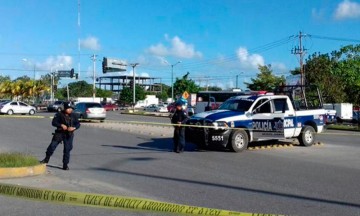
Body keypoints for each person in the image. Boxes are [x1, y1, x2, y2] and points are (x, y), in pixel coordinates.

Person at [40, 102, 80, 170]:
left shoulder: (74, 115)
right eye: (68, 108)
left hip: (69, 134)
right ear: (65, 108)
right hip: (59, 133)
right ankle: (46, 159)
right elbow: (54, 122)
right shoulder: (59, 114)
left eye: (71, 108)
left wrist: (73, 128)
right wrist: (61, 125)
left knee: (67, 149)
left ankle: (65, 164)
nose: (70, 110)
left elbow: (78, 124)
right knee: (52, 147)